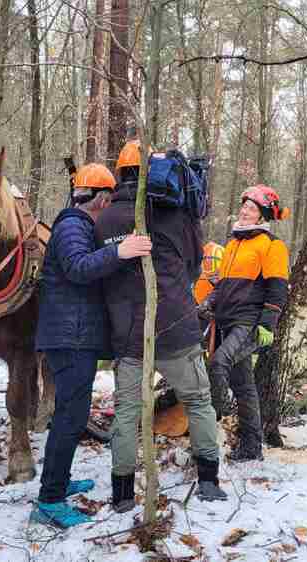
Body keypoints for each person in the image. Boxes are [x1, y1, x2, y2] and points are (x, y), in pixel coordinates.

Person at [95, 140, 229, 512]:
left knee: (126, 412)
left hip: (128, 333)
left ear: (121, 174)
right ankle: (208, 480)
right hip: (177, 327)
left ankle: (122, 494)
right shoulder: (179, 215)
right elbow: (193, 267)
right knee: (199, 400)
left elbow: (101, 275)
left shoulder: (105, 219)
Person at [30, 163, 153, 528]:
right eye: (109, 198)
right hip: (70, 339)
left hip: (75, 335)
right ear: (100, 198)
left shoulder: (78, 225)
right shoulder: (71, 226)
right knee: (69, 418)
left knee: (73, 415)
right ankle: (49, 500)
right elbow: (78, 267)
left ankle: (59, 482)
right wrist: (122, 251)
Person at [200, 184, 290, 462]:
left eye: (252, 208)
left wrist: (268, 322)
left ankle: (219, 412)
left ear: (263, 215)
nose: (245, 211)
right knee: (244, 385)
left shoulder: (272, 246)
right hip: (227, 320)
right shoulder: (233, 244)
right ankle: (252, 446)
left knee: (218, 363)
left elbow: (278, 288)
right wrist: (208, 303)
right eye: (244, 206)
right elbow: (223, 286)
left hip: (249, 322)